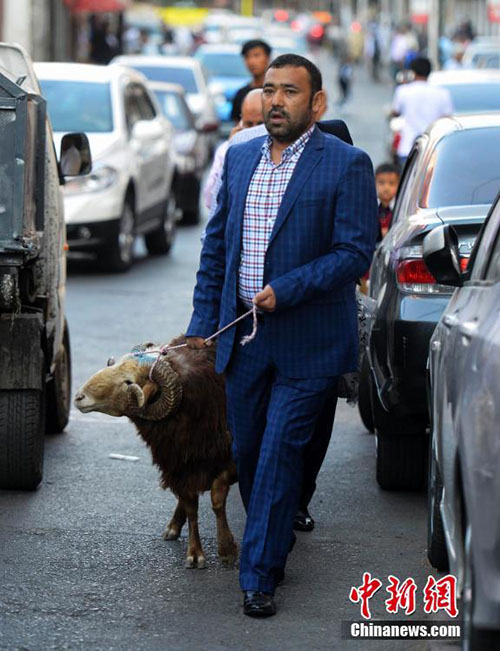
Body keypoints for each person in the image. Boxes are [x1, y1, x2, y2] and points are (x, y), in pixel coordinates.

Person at [186, 54, 377, 617]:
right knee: (246, 451)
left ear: (316, 103)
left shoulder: (346, 164)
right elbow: (216, 249)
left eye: (289, 91)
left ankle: (260, 572)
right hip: (244, 340)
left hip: (310, 342)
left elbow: (353, 253)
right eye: (268, 90)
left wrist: (286, 288)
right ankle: (273, 539)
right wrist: (201, 331)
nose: (275, 101)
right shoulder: (240, 158)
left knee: (277, 454)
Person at [204, 89, 265, 215]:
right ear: (240, 122)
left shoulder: (278, 152)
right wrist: (230, 152)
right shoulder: (226, 149)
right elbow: (210, 201)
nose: (253, 131)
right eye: (249, 124)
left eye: (260, 125)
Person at [391, 57, 453, 168]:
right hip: (434, 149)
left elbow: (395, 112)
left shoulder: (403, 91)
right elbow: (448, 119)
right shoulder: (443, 93)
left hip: (408, 147)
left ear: (412, 72)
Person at [230, 40, 272, 123]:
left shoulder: (277, 93)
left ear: (267, 57)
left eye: (256, 55)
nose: (251, 61)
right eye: (247, 57)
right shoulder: (241, 94)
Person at [375, 162, 399, 241]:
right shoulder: (372, 207)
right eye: (381, 183)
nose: (386, 188)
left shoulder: (400, 208)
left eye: (391, 183)